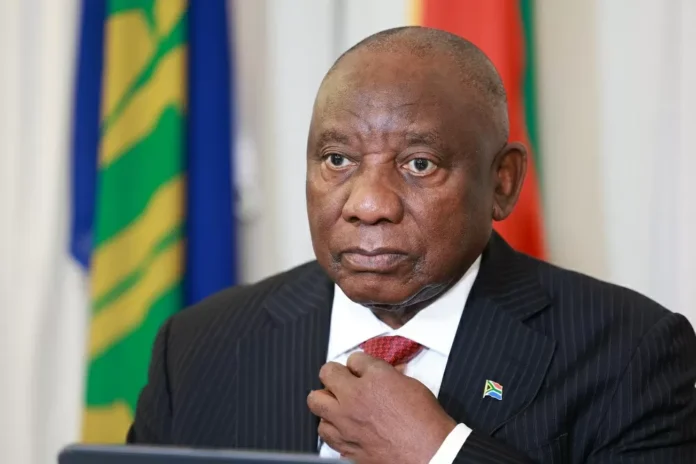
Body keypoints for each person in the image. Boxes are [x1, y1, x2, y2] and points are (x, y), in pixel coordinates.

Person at [127, 27, 696, 463]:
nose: (367, 204)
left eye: (419, 164)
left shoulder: (629, 352)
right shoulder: (199, 346)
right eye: (337, 159)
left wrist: (439, 453)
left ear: (502, 183)